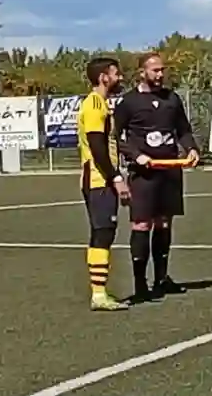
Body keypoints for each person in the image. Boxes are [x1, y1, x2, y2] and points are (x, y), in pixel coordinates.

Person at [113, 52, 200, 303]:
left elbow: (183, 130)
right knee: (142, 224)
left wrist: (191, 148)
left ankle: (161, 278)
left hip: (169, 170)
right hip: (143, 174)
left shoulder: (172, 98)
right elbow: (116, 137)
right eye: (155, 70)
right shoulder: (128, 102)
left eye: (162, 70)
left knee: (164, 223)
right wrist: (136, 155)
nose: (160, 75)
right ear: (142, 72)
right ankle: (140, 282)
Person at [76, 57, 130, 311]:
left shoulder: (101, 104)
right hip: (98, 180)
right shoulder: (94, 104)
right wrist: (115, 177)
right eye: (116, 74)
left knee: (105, 232)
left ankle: (100, 293)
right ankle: (98, 295)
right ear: (103, 77)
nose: (120, 78)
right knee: (102, 232)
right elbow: (97, 147)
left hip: (101, 179)